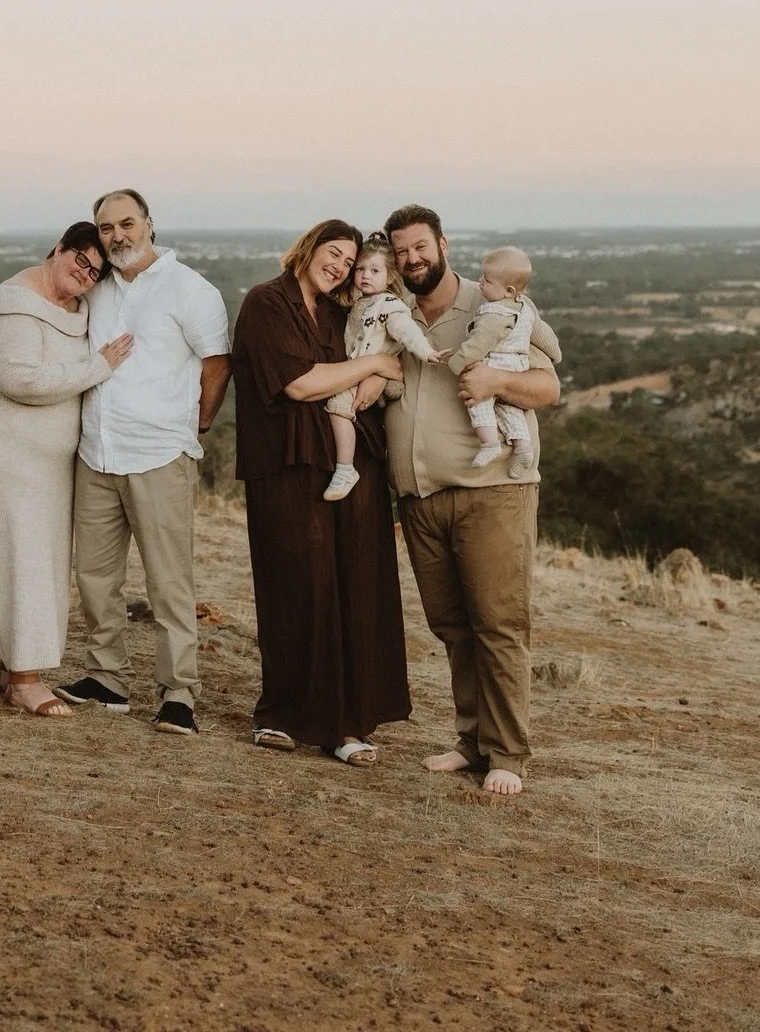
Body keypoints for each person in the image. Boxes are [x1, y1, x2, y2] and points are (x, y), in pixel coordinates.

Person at [383, 206, 561, 796]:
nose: (412, 258)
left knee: (498, 625)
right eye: (401, 251)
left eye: (420, 246)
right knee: (453, 628)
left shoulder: (493, 303)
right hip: (420, 500)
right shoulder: (394, 310)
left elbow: (548, 385)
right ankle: (471, 741)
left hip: (492, 494)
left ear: (443, 244)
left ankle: (507, 753)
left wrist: (496, 382)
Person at [231, 220, 411, 766]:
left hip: (353, 462)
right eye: (333, 253)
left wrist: (377, 373)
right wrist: (372, 366)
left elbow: (385, 358)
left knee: (356, 585)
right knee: (296, 586)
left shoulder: (339, 312)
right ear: (308, 249)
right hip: (286, 466)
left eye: (349, 261)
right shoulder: (266, 303)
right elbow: (300, 383)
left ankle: (348, 724)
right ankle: (281, 714)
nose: (339, 267)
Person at [55, 189, 231, 735]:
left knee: (168, 582)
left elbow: (217, 365)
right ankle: (106, 677)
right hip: (96, 452)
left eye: (127, 224)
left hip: (159, 455)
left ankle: (178, 692)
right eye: (106, 228)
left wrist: (196, 426)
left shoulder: (190, 289)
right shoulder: (98, 287)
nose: (117, 236)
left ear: (150, 224)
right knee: (95, 576)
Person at [0, 223, 133, 717]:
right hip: (3, 455)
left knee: (37, 559)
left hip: (47, 465)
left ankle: (11, 667)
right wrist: (99, 367)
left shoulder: (75, 310)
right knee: (22, 558)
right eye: (80, 259)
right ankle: (25, 681)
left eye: (94, 272)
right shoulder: (10, 304)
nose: (84, 273)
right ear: (58, 248)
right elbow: (21, 379)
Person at [321, 232, 447, 502]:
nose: (365, 275)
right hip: (363, 372)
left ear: (390, 276)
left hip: (373, 374)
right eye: (360, 269)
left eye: (375, 270)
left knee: (337, 406)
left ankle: (345, 468)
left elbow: (408, 333)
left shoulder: (389, 306)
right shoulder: (359, 302)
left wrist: (427, 353)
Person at [447, 246, 553, 479]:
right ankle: (522, 447)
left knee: (479, 400)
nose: (480, 281)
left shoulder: (494, 314)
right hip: (517, 365)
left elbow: (477, 345)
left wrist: (455, 364)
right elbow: (543, 335)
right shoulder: (526, 308)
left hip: (495, 365)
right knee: (509, 408)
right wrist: (555, 354)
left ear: (508, 290)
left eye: (486, 280)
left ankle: (489, 443)